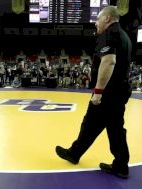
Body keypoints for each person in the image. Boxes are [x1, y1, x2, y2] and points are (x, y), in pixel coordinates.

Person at [55, 6, 132, 179]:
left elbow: (109, 62)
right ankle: (120, 165)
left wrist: (98, 91)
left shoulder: (108, 34)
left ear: (107, 18)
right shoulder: (125, 36)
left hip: (108, 92)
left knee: (92, 123)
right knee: (113, 128)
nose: (96, 24)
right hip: (119, 91)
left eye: (97, 20)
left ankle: (75, 154)